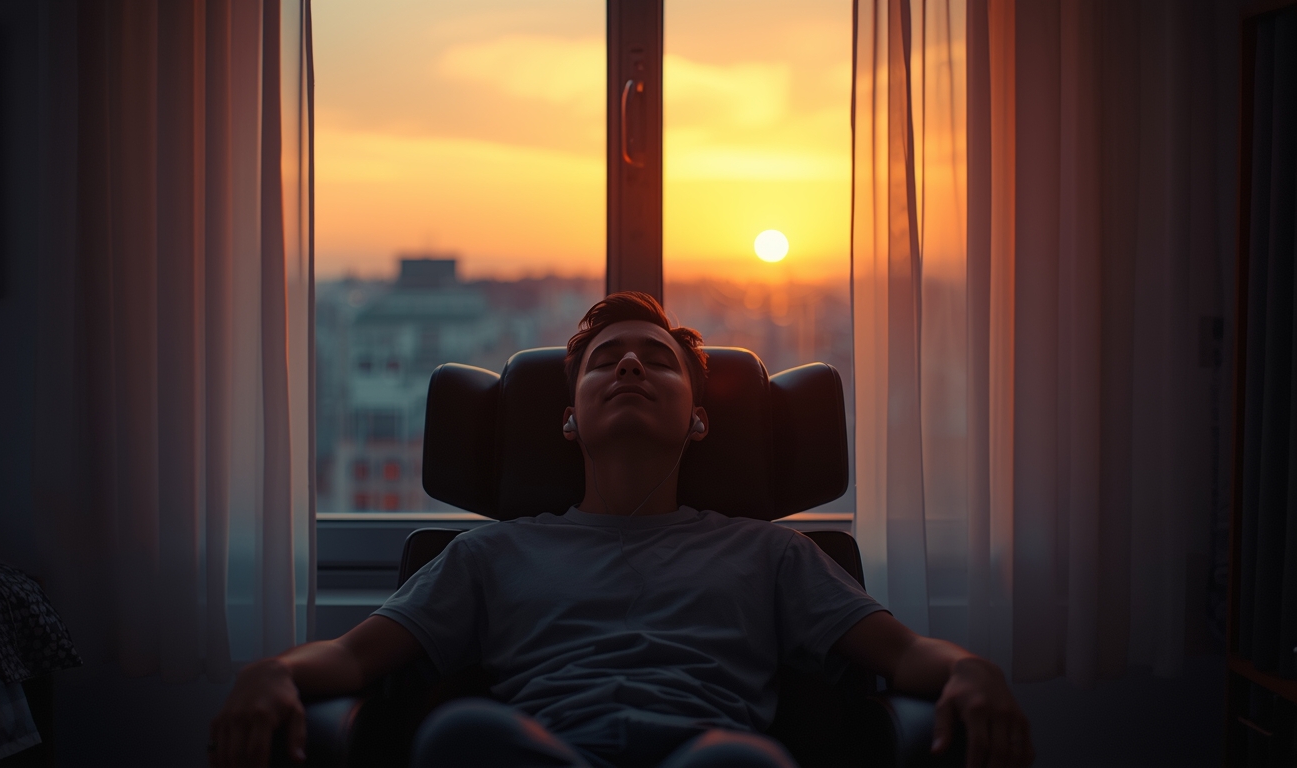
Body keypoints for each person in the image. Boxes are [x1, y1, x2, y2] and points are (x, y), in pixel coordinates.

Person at [210, 292, 1034, 768]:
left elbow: (905, 654)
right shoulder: (491, 553)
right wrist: (269, 674)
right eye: (606, 359)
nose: (630, 365)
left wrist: (976, 672)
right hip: (539, 754)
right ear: (568, 421)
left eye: (656, 359)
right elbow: (354, 656)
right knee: (465, 737)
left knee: (737, 765)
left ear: (700, 421)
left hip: (709, 760)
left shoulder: (770, 552)